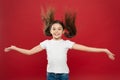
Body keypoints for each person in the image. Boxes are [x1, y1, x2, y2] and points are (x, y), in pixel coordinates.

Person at [4, 8, 115, 80]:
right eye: (54, 29)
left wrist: (104, 50)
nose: (56, 31)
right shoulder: (46, 43)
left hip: (63, 75)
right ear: (50, 31)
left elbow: (86, 48)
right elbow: (29, 52)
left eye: (59, 29)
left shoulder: (66, 43)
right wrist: (15, 48)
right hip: (50, 74)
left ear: (63, 31)